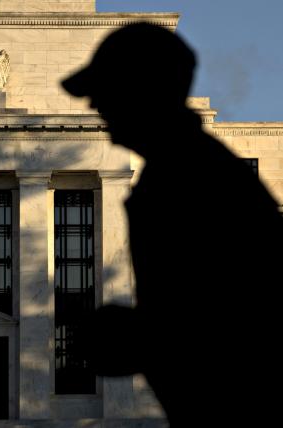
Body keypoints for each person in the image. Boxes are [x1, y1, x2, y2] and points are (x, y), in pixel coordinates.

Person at [61, 23, 283, 426]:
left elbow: (227, 321)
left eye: (105, 88)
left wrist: (133, 335)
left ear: (142, 91)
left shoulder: (193, 179)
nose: (94, 105)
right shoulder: (180, 171)